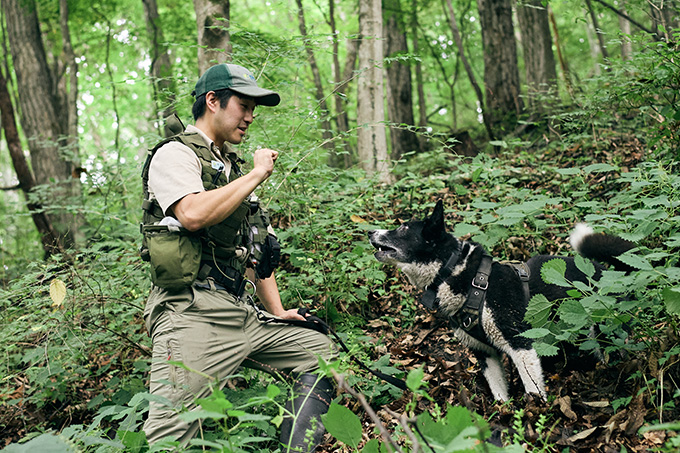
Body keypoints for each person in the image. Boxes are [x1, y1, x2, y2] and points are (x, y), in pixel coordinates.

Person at [140, 63, 337, 451]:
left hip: (242, 312)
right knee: (169, 436)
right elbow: (192, 214)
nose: (250, 117)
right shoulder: (175, 155)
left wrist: (277, 311)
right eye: (243, 106)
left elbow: (255, 252)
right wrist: (257, 175)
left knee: (324, 356)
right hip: (192, 312)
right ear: (212, 101)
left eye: (253, 109)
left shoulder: (231, 168)